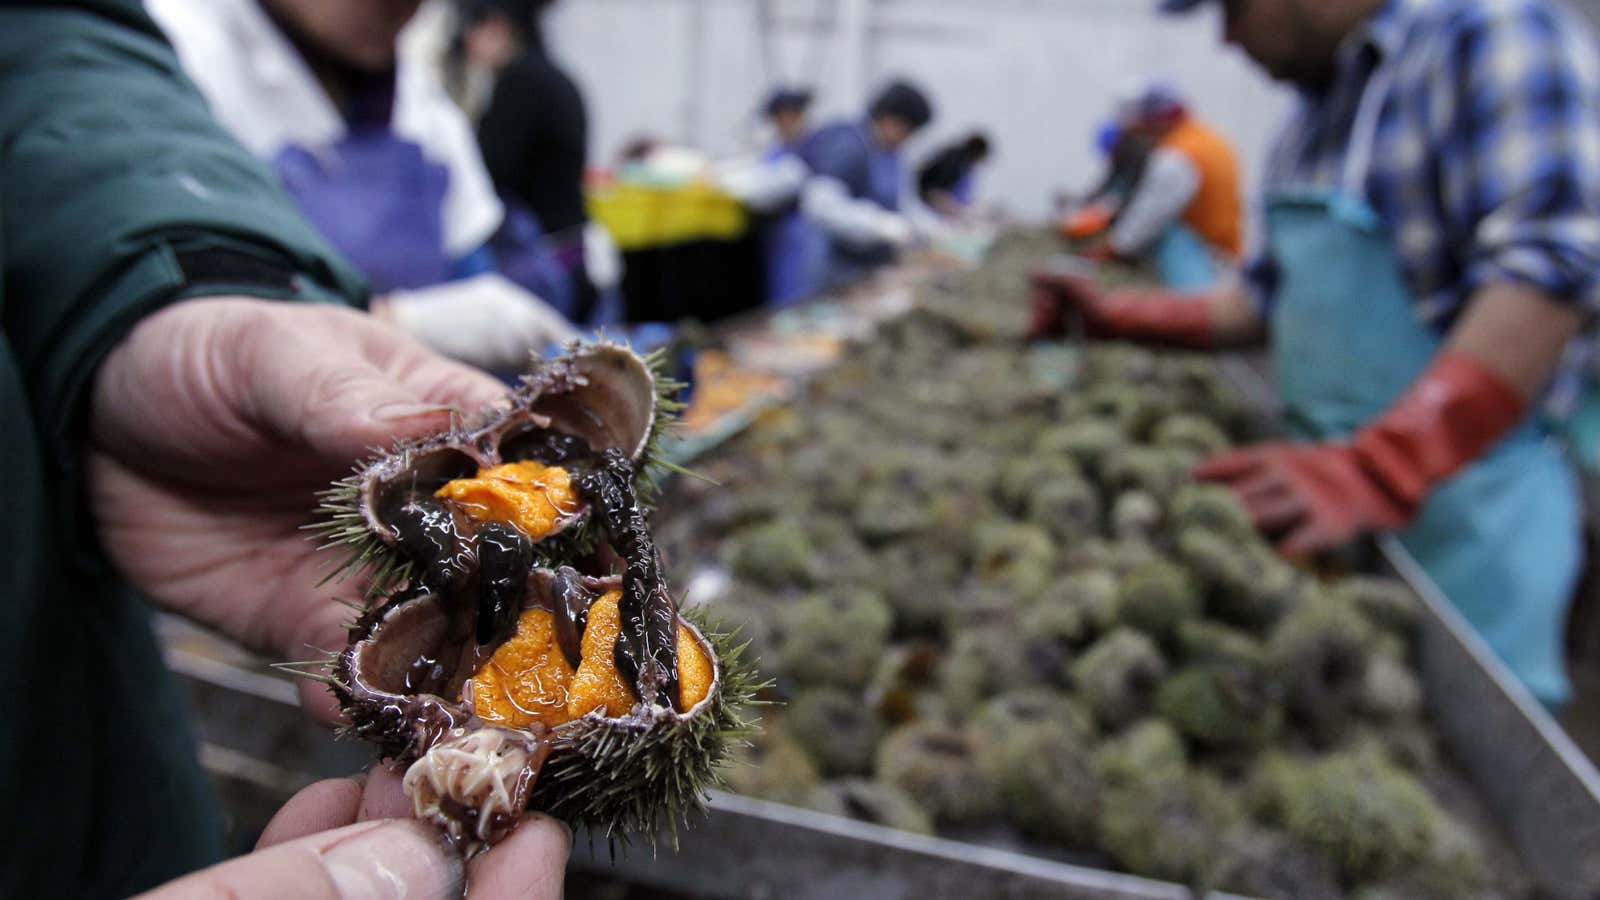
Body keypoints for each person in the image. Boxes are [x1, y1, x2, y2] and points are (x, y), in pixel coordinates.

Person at [0, 3, 567, 896]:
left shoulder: (424, 102)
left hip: (84, 768)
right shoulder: (194, 34)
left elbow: (40, 59)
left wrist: (177, 293)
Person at [1032, 0, 1600, 707]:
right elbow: (1260, 303)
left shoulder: (1492, 33)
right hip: (1317, 503)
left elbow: (1551, 272)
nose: (1227, 36)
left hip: (1467, 537)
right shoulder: (1307, 125)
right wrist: (1118, 316)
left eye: (1233, 7)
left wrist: (1381, 466)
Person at [146, 0, 579, 373]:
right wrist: (393, 323)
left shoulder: (422, 102)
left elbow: (473, 261)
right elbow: (147, 319)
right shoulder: (167, 53)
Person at [469, 0, 621, 325]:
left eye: (473, 31)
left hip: (543, 261)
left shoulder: (519, 82)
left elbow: (488, 170)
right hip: (576, 249)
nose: (469, 45)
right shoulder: (558, 77)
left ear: (497, 27)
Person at [1085, 82, 1242, 289]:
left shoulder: (1177, 155)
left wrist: (1112, 249)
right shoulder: (1208, 137)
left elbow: (1151, 214)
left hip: (1202, 260)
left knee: (1168, 233)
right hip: (1227, 254)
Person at [794, 79, 935, 288]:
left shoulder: (891, 154)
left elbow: (905, 204)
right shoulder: (848, 144)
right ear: (889, 119)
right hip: (835, 265)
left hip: (870, 264)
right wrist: (879, 224)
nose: (907, 140)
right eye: (907, 131)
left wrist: (935, 229)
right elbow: (821, 206)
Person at [916, 132, 992, 218]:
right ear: (976, 154)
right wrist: (958, 211)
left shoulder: (962, 163)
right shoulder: (952, 162)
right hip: (924, 208)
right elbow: (932, 193)